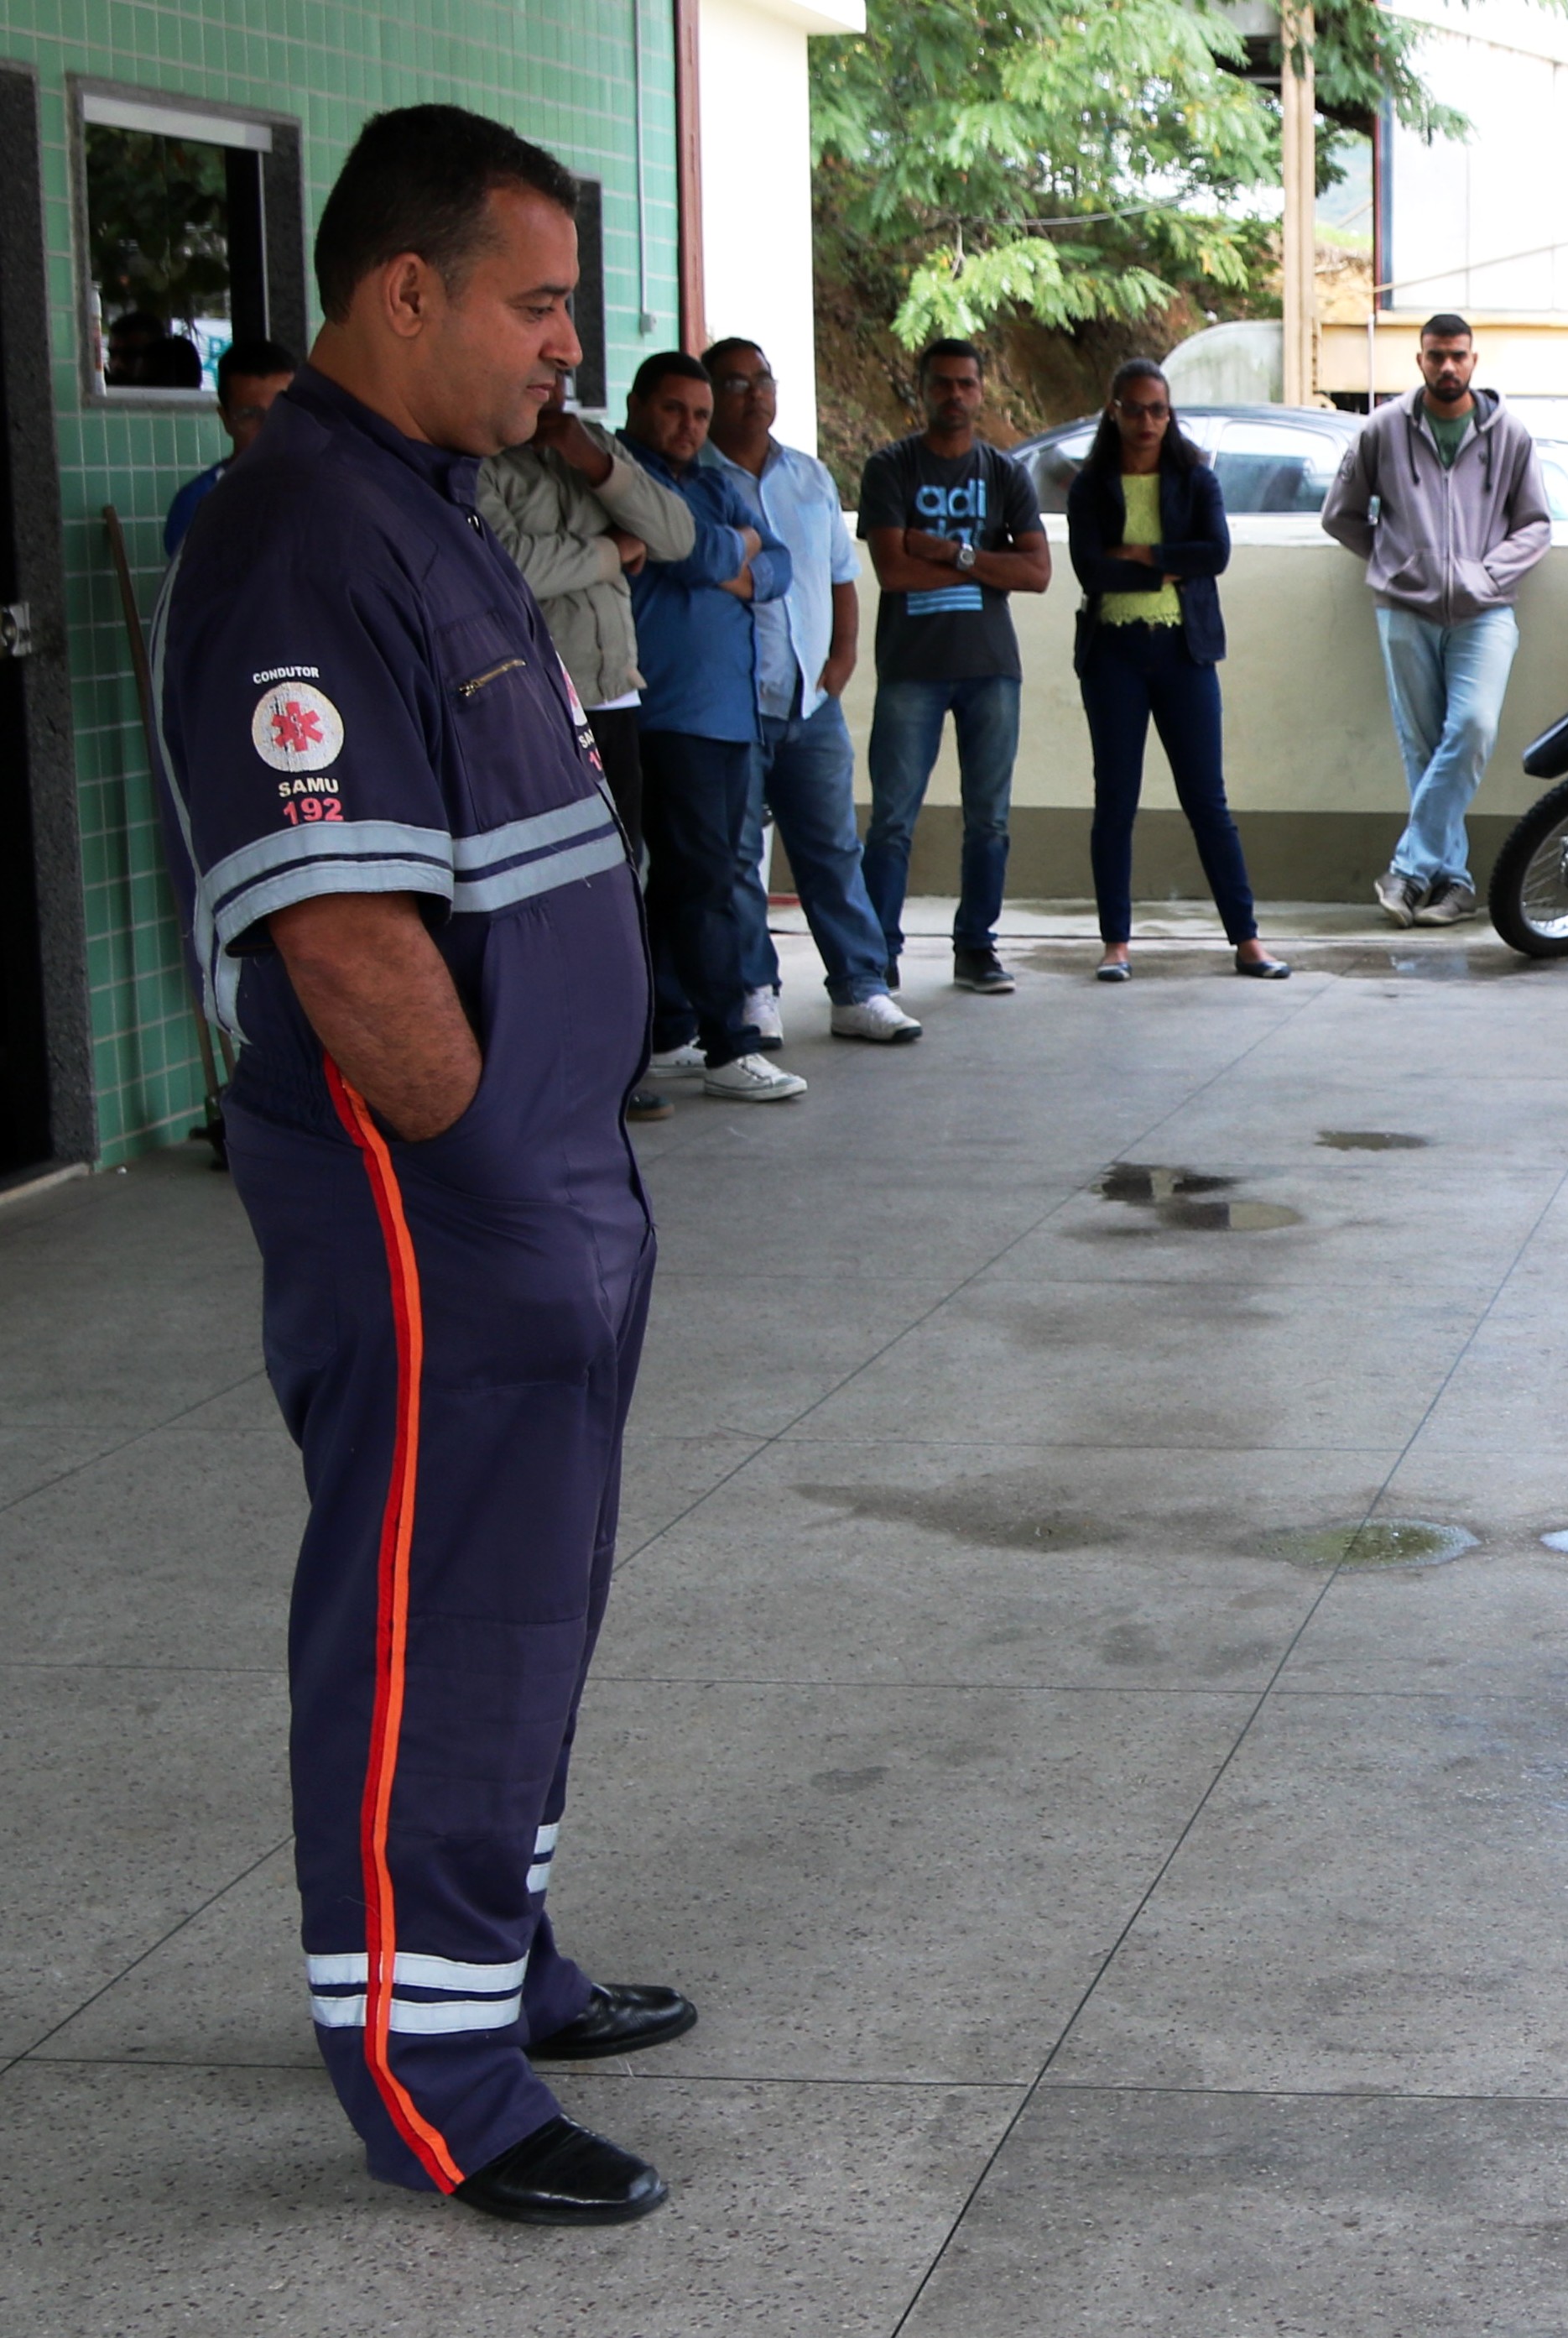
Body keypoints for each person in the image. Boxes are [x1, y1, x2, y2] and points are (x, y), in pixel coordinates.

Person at [153, 102, 698, 2227]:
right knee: (433, 1612)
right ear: (407, 292)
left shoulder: (435, 500)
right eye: (538, 302)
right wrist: (485, 1164)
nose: (568, 342)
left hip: (538, 1176)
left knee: (527, 1590)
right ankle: (431, 2069)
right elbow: (350, 937)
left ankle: (499, 1956)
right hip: (443, 1199)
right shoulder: (299, 537)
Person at [479, 386, 701, 1120]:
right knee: (546, 886)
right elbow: (511, 566)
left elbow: (675, 536)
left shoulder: (597, 448)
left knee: (620, 877)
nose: (550, 388)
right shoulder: (484, 460)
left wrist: (596, 465)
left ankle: (617, 1063)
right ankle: (550, 1064)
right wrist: (611, 550)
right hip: (540, 701)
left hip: (616, 698)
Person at [704, 338, 915, 1047]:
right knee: (736, 860)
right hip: (730, 703)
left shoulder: (809, 475)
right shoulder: (693, 480)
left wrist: (846, 652)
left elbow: (838, 575)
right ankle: (752, 993)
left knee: (832, 847)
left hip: (809, 701)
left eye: (762, 379)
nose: (755, 394)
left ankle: (860, 989)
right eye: (735, 383)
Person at [617, 352, 803, 1104]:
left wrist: (733, 555)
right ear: (635, 406)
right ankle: (732, 1043)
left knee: (695, 877)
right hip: (667, 711)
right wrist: (733, 552)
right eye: (673, 410)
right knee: (707, 882)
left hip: (731, 712)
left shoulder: (721, 482)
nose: (689, 427)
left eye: (699, 414)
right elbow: (696, 550)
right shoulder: (624, 477)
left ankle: (670, 1029)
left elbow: (779, 566)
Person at [1323, 312, 1549, 930]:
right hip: (1405, 610)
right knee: (1422, 748)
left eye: (1457, 355)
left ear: (1473, 361)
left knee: (1471, 728)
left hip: (1485, 611)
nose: (1447, 366)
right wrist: (1398, 566)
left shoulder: (1509, 436)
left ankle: (1409, 869)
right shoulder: (1382, 431)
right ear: (1419, 361)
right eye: (1435, 356)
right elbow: (1340, 515)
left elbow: (1536, 525)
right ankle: (1454, 885)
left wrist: (1486, 574)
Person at [1067, 361, 1285, 982]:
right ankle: (1116, 944)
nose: (1146, 421)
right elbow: (1091, 571)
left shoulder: (1193, 477)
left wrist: (1141, 554)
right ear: (1113, 411)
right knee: (1115, 801)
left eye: (1157, 410)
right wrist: (1167, 566)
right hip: (1113, 655)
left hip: (1183, 653)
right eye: (1133, 409)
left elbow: (1214, 554)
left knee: (1207, 800)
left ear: (1171, 414)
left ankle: (1246, 940)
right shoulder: (1090, 485)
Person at [856, 338, 1050, 996]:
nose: (955, 396)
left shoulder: (1004, 474)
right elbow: (891, 570)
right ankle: (877, 955)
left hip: (991, 668)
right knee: (891, 820)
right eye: (942, 384)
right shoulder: (891, 469)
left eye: (966, 384)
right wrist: (984, 557)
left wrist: (949, 552)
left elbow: (1038, 573)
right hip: (911, 667)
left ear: (981, 391)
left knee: (989, 817)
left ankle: (976, 948)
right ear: (921, 389)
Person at [164, 336, 299, 556]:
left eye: (282, 412)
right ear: (225, 418)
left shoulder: (328, 488)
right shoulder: (199, 504)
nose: (269, 428)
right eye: (250, 415)